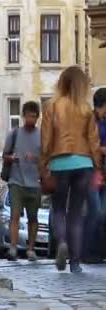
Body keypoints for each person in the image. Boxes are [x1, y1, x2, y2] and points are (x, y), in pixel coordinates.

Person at [40, 66, 102, 273]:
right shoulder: (86, 109)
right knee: (76, 213)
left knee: (58, 208)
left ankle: (62, 243)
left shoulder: (52, 106)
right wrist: (97, 166)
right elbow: (94, 141)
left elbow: (46, 140)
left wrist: (43, 165)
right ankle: (75, 262)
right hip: (83, 163)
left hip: (59, 162)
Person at [2, 101, 41, 262]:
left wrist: (36, 157)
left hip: (34, 183)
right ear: (23, 116)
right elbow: (5, 155)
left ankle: (30, 249)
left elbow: (47, 157)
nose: (31, 119)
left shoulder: (42, 135)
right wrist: (12, 158)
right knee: (15, 215)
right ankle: (13, 248)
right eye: (29, 116)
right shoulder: (15, 134)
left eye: (34, 116)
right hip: (16, 180)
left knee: (33, 217)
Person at [83, 87, 106, 263]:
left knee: (103, 213)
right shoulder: (88, 121)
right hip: (90, 171)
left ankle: (99, 251)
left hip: (103, 171)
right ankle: (86, 251)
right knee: (95, 211)